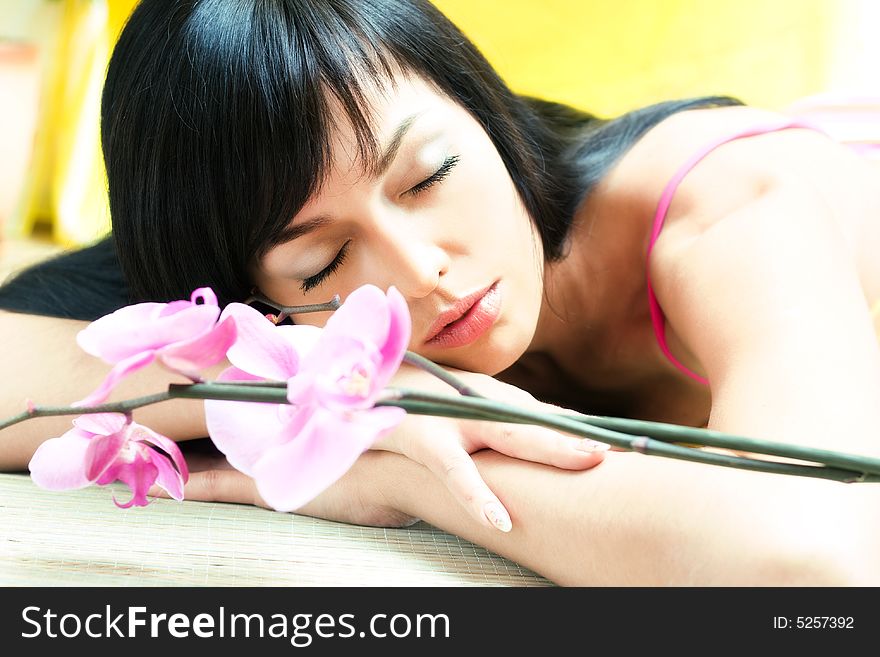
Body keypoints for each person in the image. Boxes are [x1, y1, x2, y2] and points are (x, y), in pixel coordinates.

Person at [1, 0, 879, 585]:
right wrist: (353, 385)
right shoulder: (283, 306)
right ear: (260, 298)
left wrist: (398, 471)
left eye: (431, 175)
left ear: (482, 112)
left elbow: (812, 563)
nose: (420, 270)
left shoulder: (734, 210)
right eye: (321, 262)